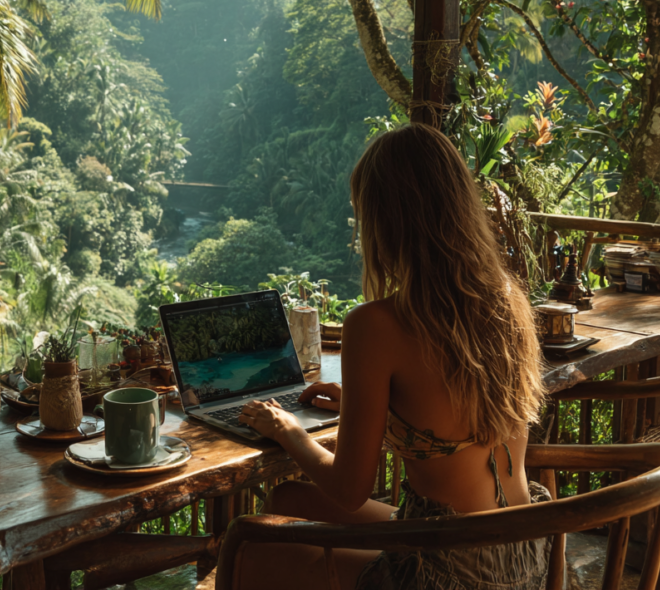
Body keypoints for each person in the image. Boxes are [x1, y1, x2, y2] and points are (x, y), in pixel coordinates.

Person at [236, 123, 550, 590]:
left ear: (387, 221)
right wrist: (361, 407)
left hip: (446, 571)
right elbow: (453, 416)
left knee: (249, 550)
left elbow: (348, 491)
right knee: (290, 498)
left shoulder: (377, 324)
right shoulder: (507, 299)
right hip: (521, 553)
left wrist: (287, 429)